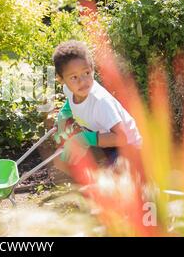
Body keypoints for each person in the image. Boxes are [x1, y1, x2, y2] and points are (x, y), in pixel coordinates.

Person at [52, 40, 142, 174]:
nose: (83, 81)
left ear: (92, 69)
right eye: (74, 77)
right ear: (61, 79)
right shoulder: (69, 89)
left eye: (87, 73)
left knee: (112, 180)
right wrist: (63, 115)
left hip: (129, 149)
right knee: (61, 160)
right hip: (103, 141)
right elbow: (72, 101)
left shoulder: (101, 102)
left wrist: (85, 138)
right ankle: (91, 183)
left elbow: (121, 138)